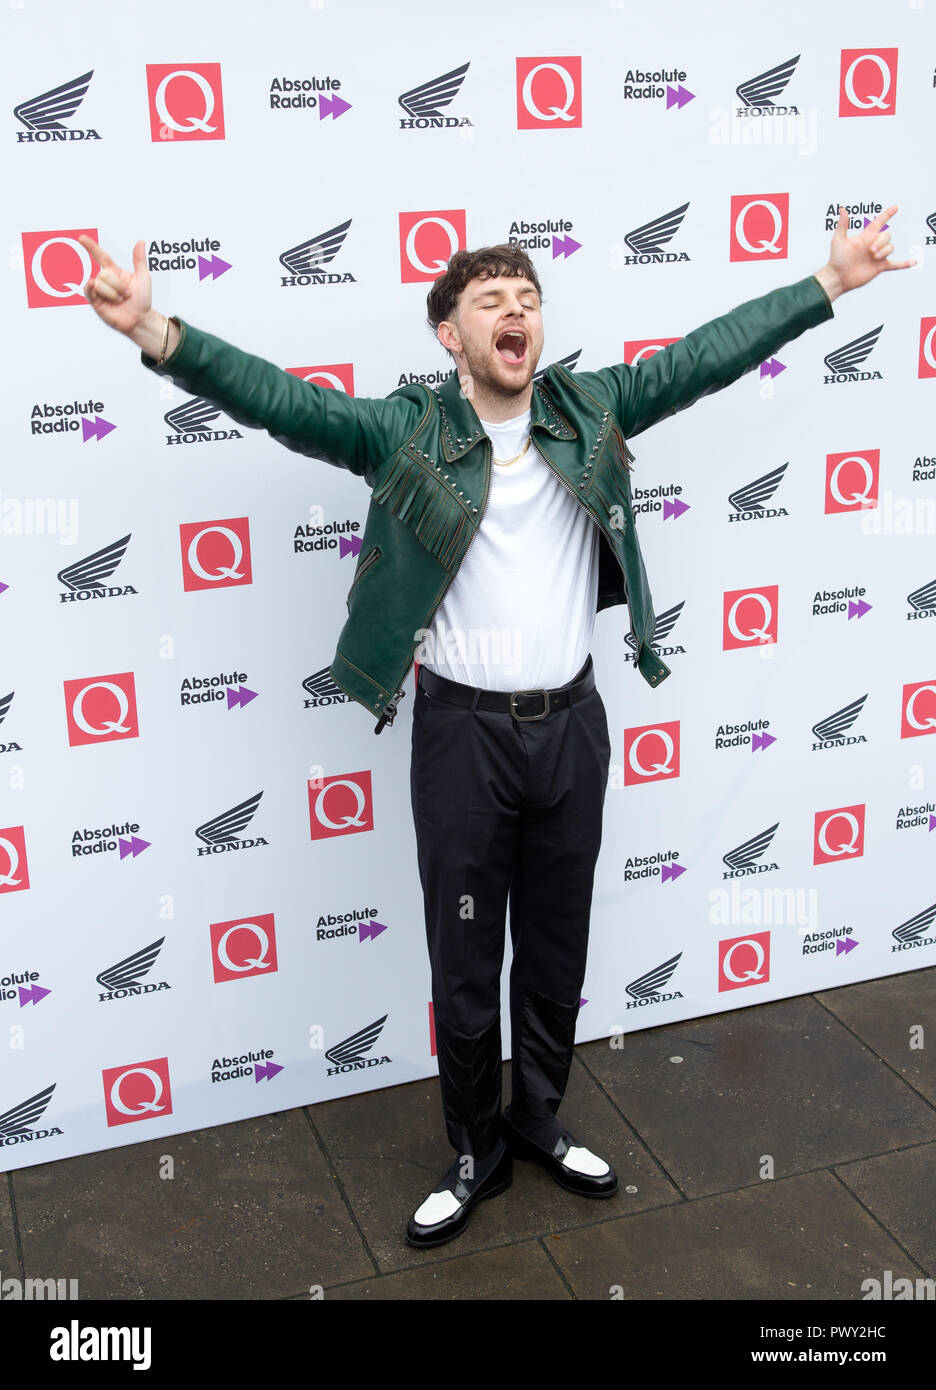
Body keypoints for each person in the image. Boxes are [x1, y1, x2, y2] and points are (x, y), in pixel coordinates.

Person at [79, 208, 912, 1249]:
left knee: (557, 949)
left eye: (528, 300)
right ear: (451, 336)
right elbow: (284, 403)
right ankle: (475, 1149)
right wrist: (160, 335)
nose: (516, 313)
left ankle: (539, 1118)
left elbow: (706, 355)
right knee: (467, 962)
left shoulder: (592, 405)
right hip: (462, 740)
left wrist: (828, 283)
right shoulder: (406, 431)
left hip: (572, 725)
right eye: (491, 303)